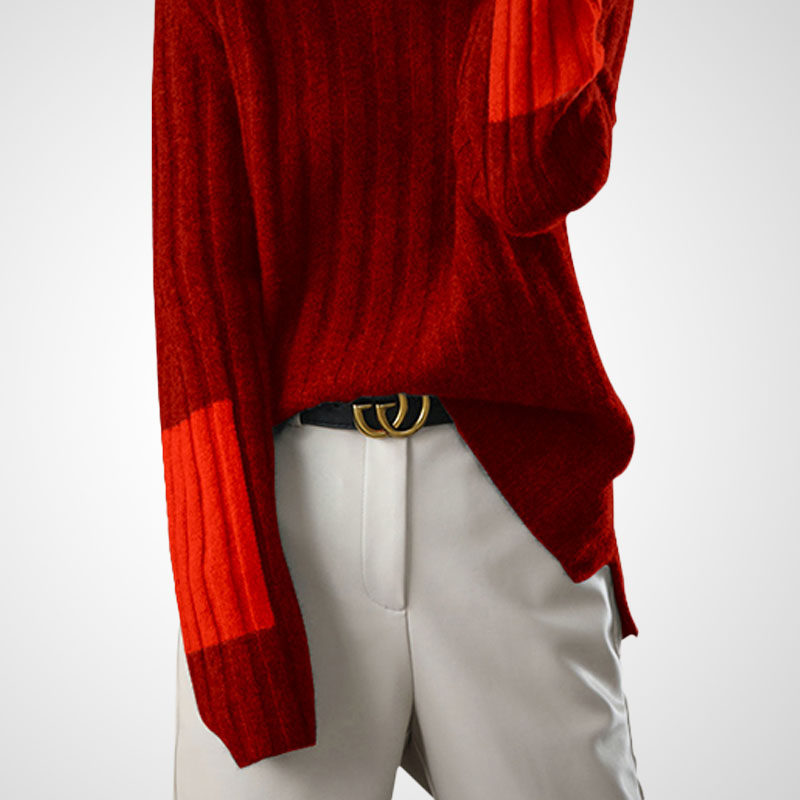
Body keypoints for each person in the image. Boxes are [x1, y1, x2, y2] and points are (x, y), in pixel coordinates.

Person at [151, 0, 645, 797]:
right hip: (288, 520)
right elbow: (198, 287)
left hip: (511, 495)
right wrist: (230, 614)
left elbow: (523, 172)